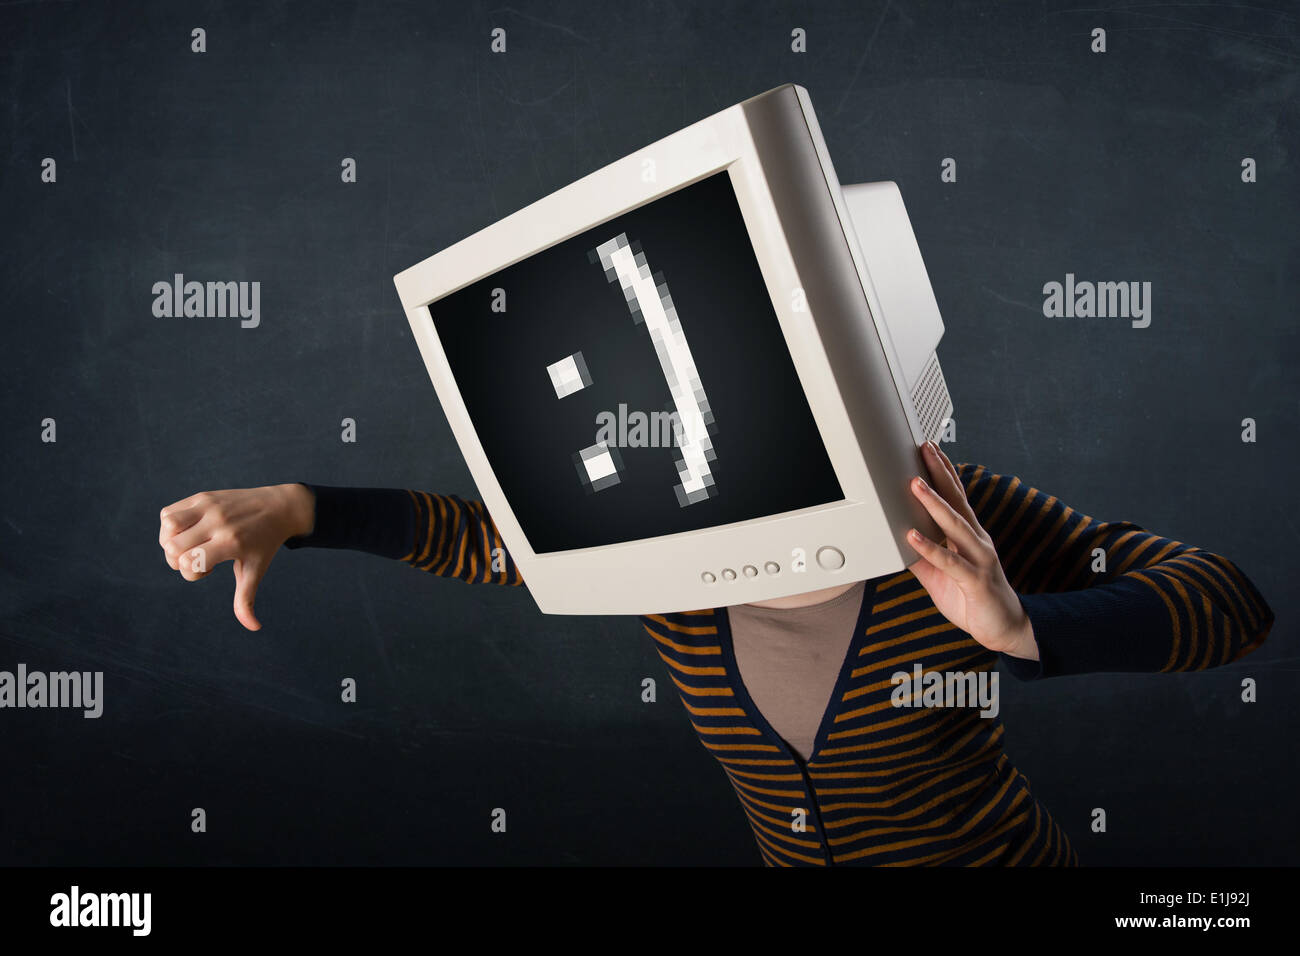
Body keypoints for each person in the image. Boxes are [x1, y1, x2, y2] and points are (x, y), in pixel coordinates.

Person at [157, 440, 1273, 865]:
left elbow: (1228, 600)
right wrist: (302, 506)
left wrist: (1018, 624)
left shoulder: (940, 508)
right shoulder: (659, 547)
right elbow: (488, 540)